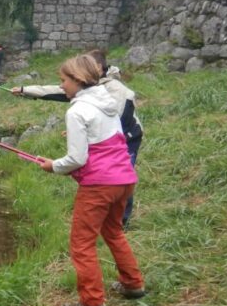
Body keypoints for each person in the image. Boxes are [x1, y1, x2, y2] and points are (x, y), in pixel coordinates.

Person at [36, 55, 145, 306]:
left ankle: (92, 303)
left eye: (63, 80)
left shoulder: (76, 111)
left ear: (79, 80)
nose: (61, 86)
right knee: (114, 232)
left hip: (99, 185)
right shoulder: (107, 104)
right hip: (124, 180)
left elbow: (76, 159)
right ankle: (133, 284)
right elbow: (104, 138)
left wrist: (53, 166)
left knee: (82, 244)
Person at [13, 50, 143, 230]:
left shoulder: (116, 89)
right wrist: (24, 90)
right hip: (103, 139)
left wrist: (85, 133)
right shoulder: (86, 87)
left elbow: (115, 119)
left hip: (129, 136)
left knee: (122, 174)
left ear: (97, 67)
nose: (63, 84)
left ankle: (122, 221)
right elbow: (57, 90)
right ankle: (110, 223)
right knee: (109, 176)